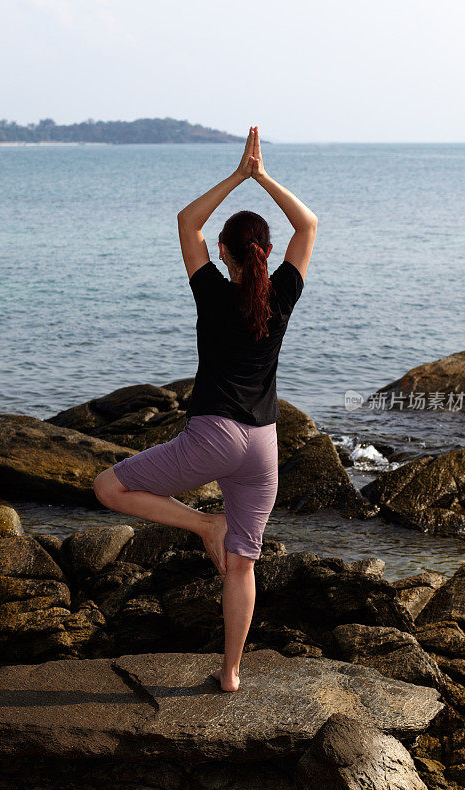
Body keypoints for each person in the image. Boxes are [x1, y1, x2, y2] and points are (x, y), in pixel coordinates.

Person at [93, 126, 318, 692]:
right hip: (264, 443)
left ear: (223, 252)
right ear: (265, 254)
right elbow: (308, 224)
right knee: (242, 565)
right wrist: (263, 177)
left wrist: (239, 174)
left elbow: (186, 222)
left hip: (214, 434)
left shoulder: (210, 290)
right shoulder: (284, 294)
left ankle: (202, 524)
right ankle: (232, 674)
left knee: (108, 487)